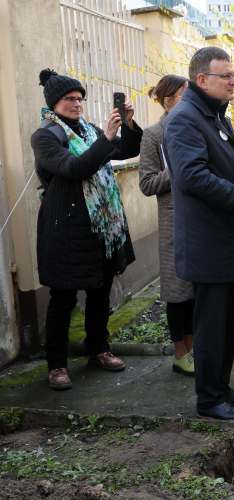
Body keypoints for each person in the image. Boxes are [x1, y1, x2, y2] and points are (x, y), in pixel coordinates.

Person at [162, 47, 234, 421]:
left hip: (227, 243)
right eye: (227, 76)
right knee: (212, 327)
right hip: (211, 245)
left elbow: (217, 166)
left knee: (226, 325)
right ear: (202, 80)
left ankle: (221, 389)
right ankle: (209, 400)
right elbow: (193, 177)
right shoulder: (185, 119)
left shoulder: (211, 114)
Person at [33, 68, 141, 391]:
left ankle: (98, 349)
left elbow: (127, 150)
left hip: (101, 228)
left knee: (100, 291)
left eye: (80, 98)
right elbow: (75, 167)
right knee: (63, 298)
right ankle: (56, 365)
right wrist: (106, 139)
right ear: (55, 103)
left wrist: (129, 125)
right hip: (65, 230)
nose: (77, 103)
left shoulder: (90, 131)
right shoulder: (45, 136)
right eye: (70, 99)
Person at [138, 75, 195, 377]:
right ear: (168, 100)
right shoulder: (153, 135)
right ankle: (179, 354)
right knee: (177, 292)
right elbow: (146, 183)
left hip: (200, 220)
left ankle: (193, 349)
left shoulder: (198, 127)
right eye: (184, 95)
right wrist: (175, 168)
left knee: (197, 291)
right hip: (173, 221)